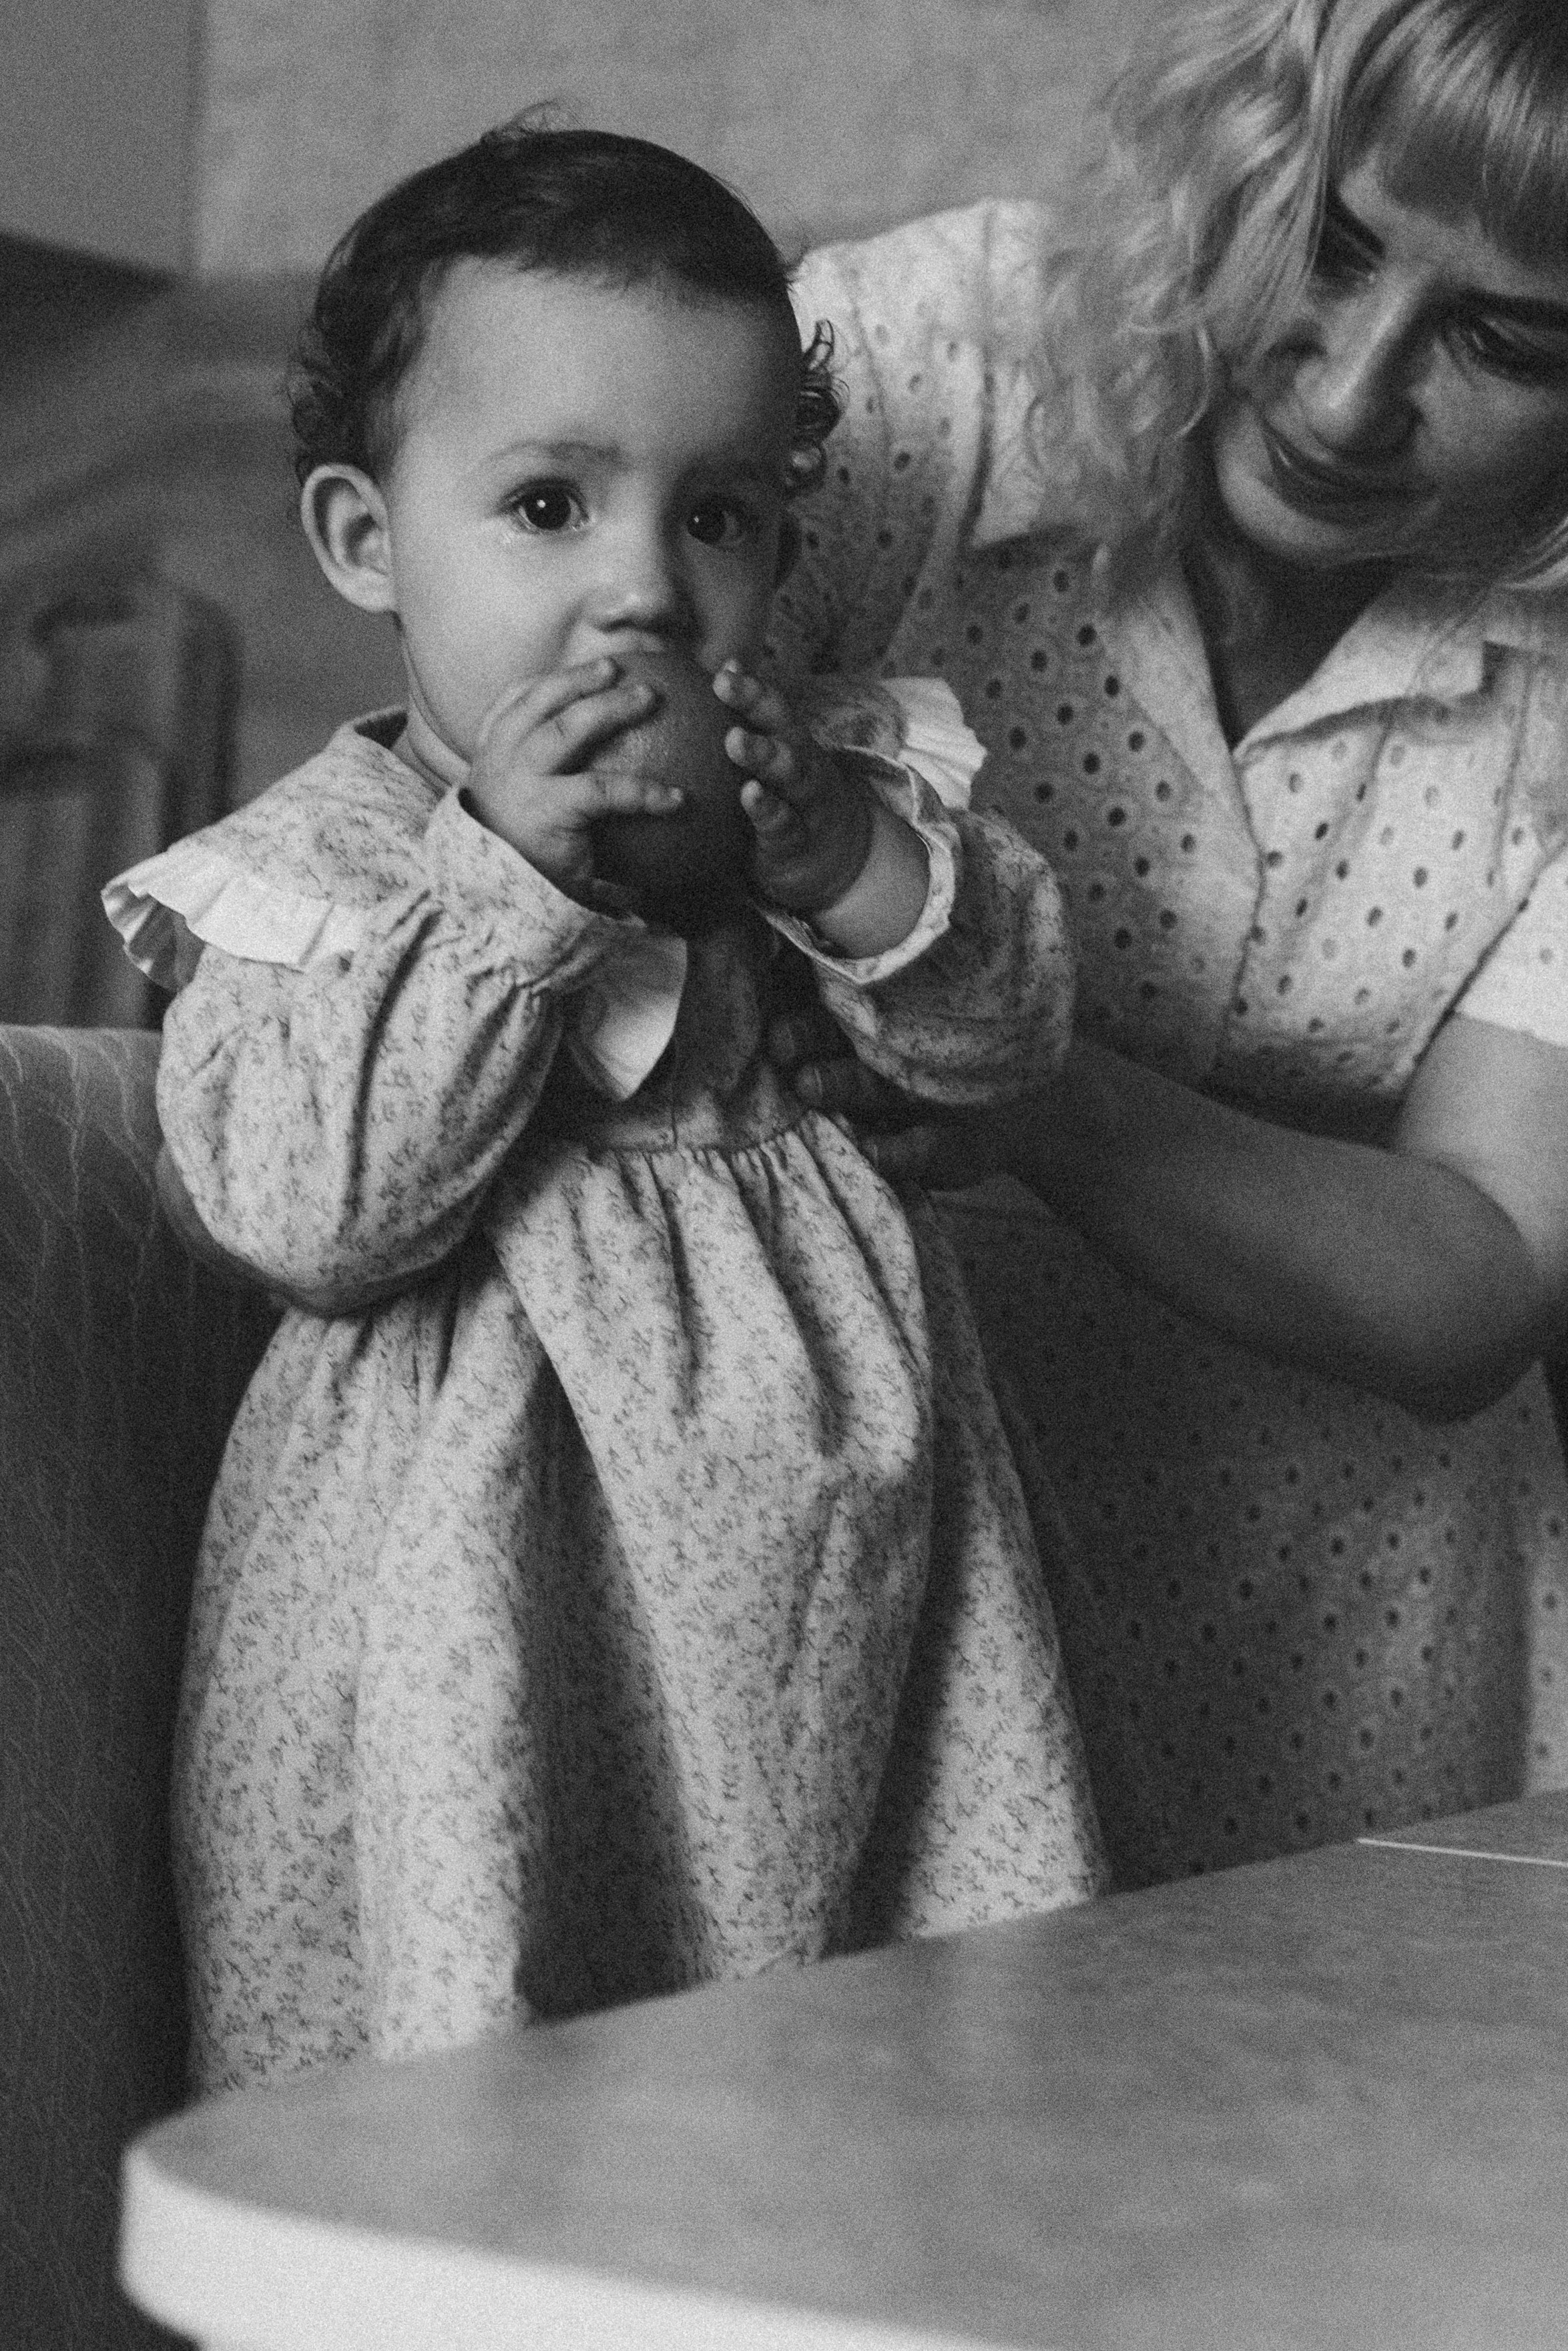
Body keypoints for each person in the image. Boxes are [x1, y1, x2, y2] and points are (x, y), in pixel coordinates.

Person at [101, 124, 1105, 2091]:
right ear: (367, 542)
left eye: (717, 515)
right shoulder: (318, 877)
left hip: (850, 1565)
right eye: (550, 505)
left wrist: (843, 867)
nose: (644, 589)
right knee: (487, 2045)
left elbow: (1005, 1046)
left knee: (870, 2058)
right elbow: (307, 1209)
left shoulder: (816, 806)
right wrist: (505, 887)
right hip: (482, 1585)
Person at [768, 0, 1568, 1888]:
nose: (1352, 397)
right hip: (860, 1554)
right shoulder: (925, 364)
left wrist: (1024, 1084)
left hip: (1366, 1634)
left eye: (1501, 342)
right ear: (1237, 159)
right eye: (1332, 246)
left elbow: (1483, 1273)